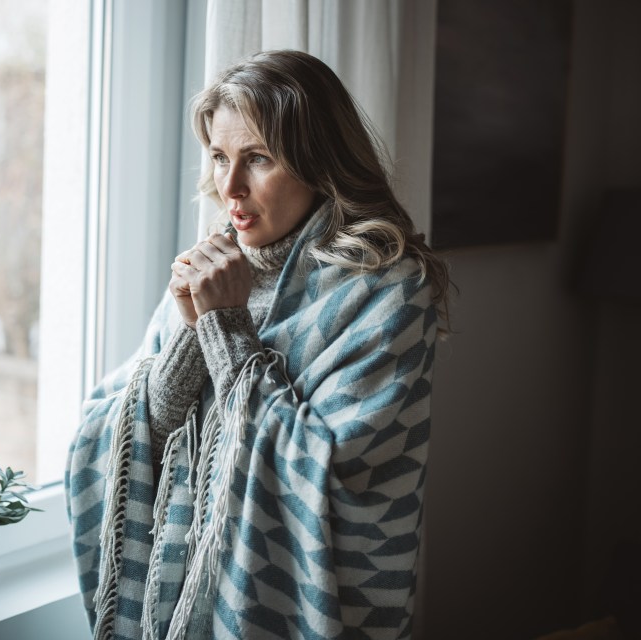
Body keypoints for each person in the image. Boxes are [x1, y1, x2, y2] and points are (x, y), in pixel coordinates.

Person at [66, 49, 449, 640]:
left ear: (319, 162)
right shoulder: (218, 264)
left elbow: (324, 468)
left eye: (258, 159)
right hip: (182, 601)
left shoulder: (392, 291)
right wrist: (196, 333)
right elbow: (134, 423)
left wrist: (221, 325)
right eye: (219, 157)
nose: (230, 186)